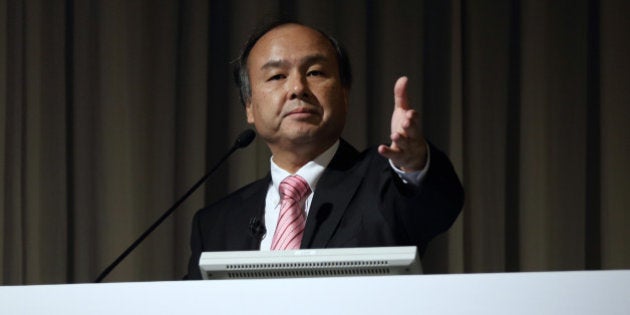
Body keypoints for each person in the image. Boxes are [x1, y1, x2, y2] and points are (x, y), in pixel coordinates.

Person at [185, 21, 464, 279]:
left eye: (315, 72)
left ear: (344, 94)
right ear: (249, 106)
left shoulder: (386, 184)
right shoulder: (215, 224)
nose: (297, 88)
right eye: (277, 76)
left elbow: (436, 206)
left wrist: (414, 163)